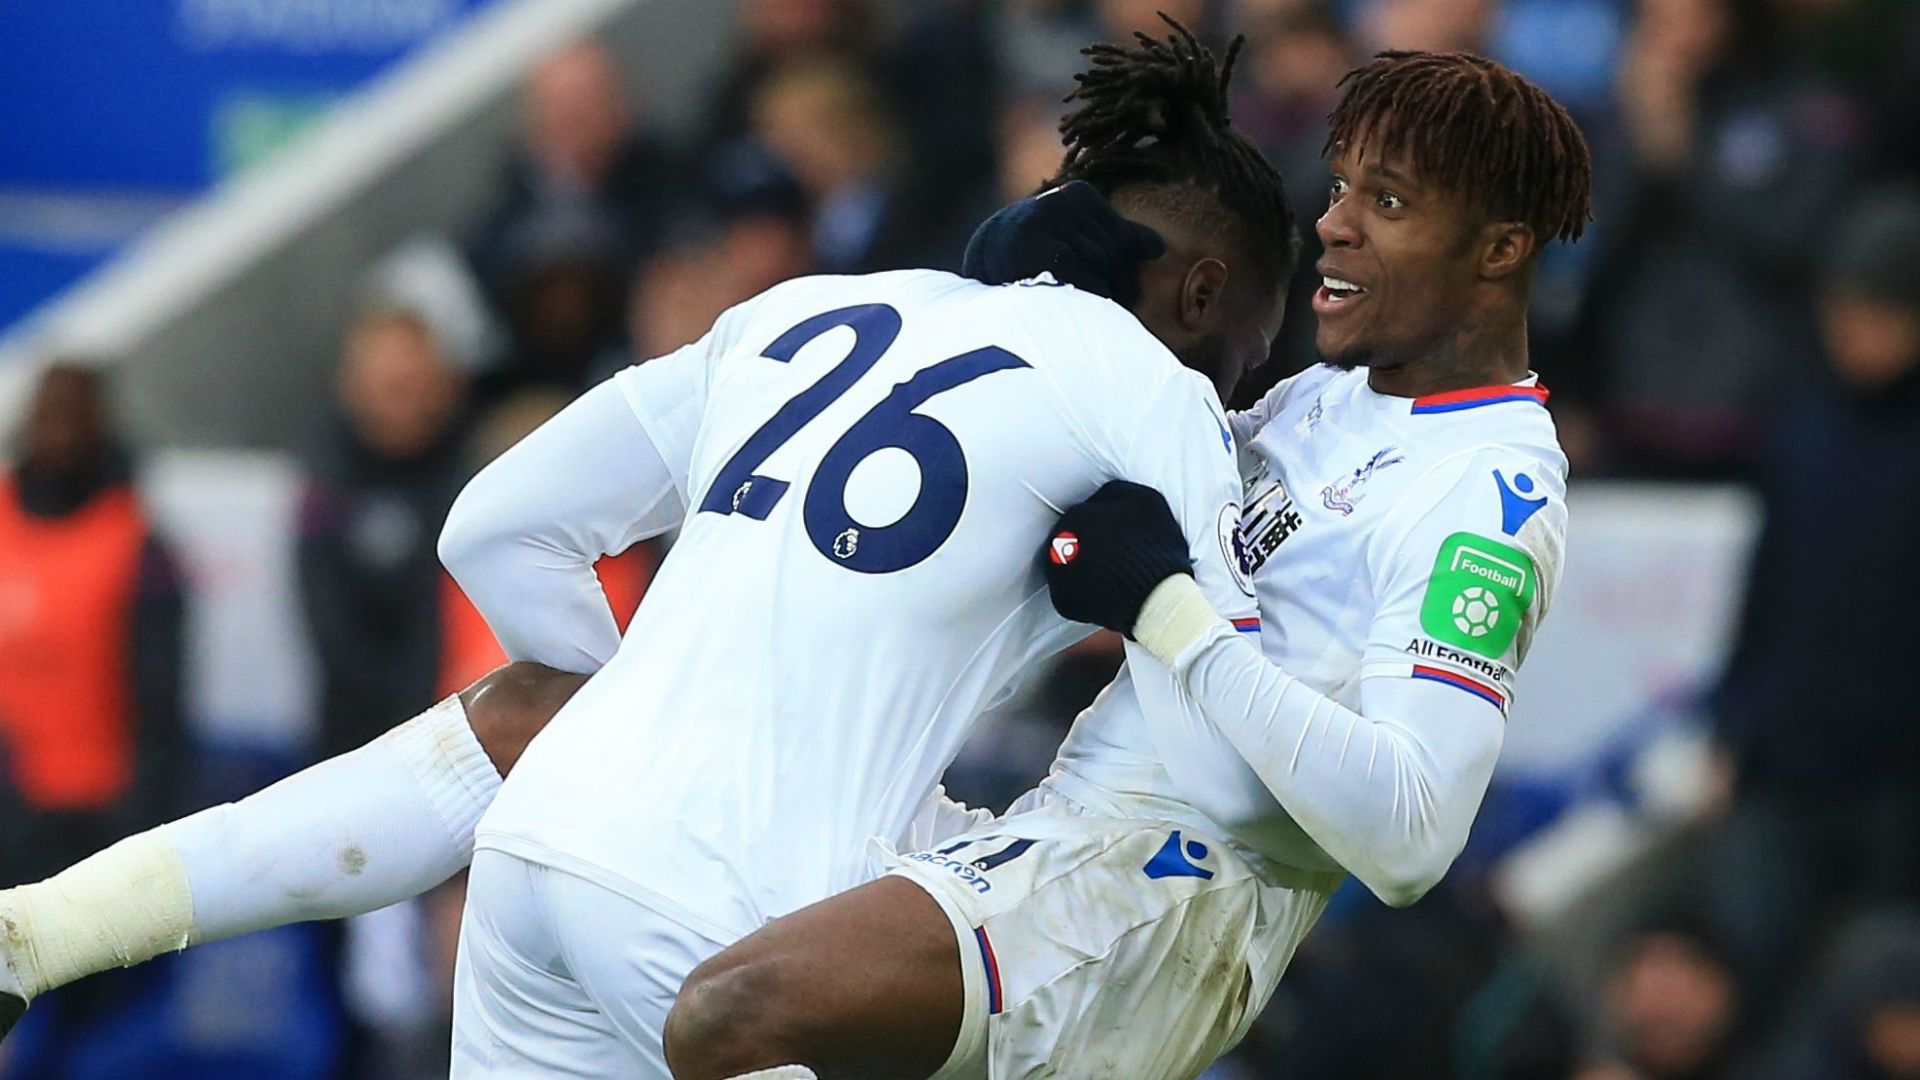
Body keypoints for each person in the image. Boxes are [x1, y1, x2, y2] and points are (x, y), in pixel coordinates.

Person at [0, 21, 1295, 1076]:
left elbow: (492, 527)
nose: (1244, 385)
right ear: (1201, 293)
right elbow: (1226, 730)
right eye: (1254, 348)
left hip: (535, 866)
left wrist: (638, 699)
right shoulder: (1152, 386)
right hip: (739, 926)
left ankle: (55, 923)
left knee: (523, 711)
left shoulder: (813, 308)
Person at [660, 46, 1585, 1080]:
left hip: (1173, 893)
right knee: (615, 819)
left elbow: (1411, 835)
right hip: (1069, 834)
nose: (1334, 222)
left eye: (1391, 200)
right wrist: (1032, 272)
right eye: (1340, 188)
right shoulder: (1333, 399)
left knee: (731, 1014)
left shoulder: (1490, 495)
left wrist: (1170, 614)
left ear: (1500, 249)